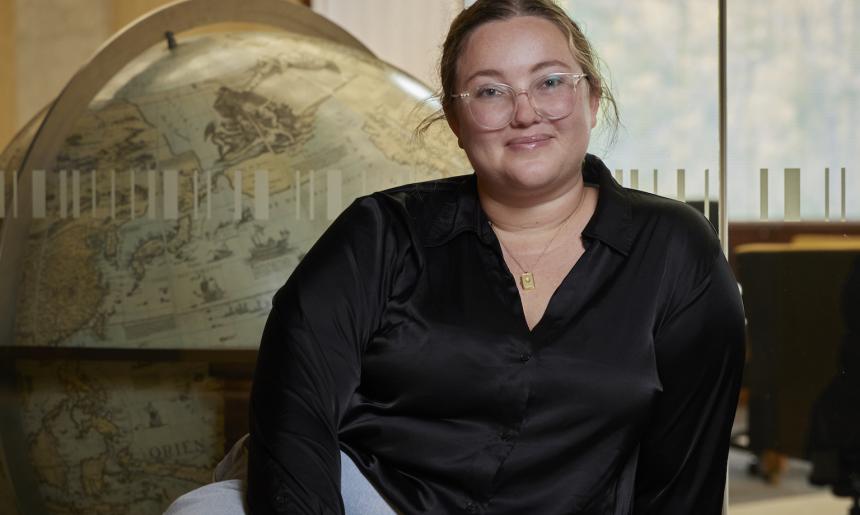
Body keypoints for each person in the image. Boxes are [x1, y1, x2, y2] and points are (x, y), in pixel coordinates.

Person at [172, 1, 746, 514]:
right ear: (454, 119)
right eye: (491, 91)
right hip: (359, 496)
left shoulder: (675, 249)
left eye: (549, 81)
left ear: (591, 99)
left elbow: (685, 476)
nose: (525, 113)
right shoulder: (379, 233)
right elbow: (294, 411)